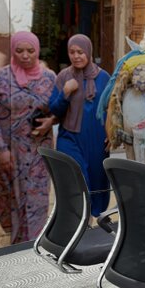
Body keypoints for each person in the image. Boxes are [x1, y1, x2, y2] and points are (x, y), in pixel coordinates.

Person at [0, 31, 57, 243]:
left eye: (30, 51)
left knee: (37, 201)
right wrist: (0, 150)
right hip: (7, 155)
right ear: (12, 51)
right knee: (11, 200)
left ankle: (32, 245)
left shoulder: (49, 78)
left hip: (38, 152)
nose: (25, 55)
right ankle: (16, 243)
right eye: (19, 50)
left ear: (38, 51)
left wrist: (51, 121)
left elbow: (60, 109)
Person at [49, 34, 112, 217]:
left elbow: (111, 108)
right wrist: (65, 93)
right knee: (76, 179)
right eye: (72, 52)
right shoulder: (63, 77)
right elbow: (55, 109)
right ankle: (78, 219)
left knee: (97, 180)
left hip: (97, 139)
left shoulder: (104, 78)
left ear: (89, 52)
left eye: (80, 52)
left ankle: (94, 219)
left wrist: (112, 134)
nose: (76, 56)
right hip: (69, 137)